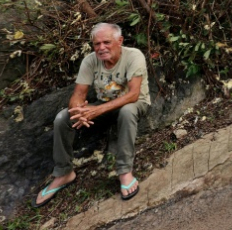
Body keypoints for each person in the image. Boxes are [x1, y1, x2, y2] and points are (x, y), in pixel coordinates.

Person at [34, 23, 151, 207]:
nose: (101, 48)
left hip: (134, 104)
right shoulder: (90, 60)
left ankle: (124, 170)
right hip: (104, 106)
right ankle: (64, 173)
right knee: (62, 118)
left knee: (127, 112)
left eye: (106, 42)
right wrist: (78, 111)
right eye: (97, 44)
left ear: (119, 41)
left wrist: (97, 111)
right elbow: (78, 95)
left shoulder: (133, 56)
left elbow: (133, 94)